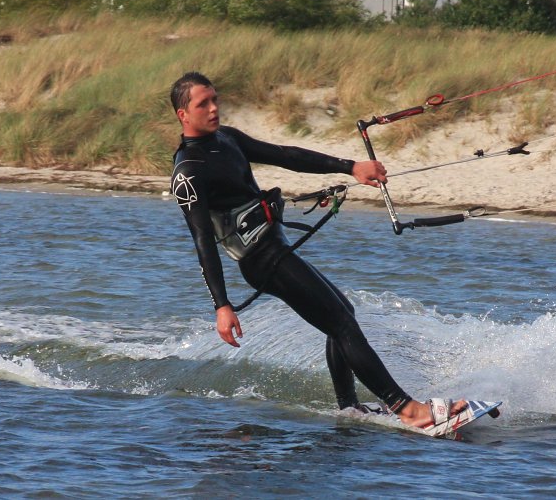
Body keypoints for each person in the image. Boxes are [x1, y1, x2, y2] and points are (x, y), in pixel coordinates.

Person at [169, 71, 464, 431]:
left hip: (274, 248)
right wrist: (222, 305)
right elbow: (202, 242)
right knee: (341, 324)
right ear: (183, 114)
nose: (214, 108)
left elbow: (285, 155)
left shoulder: (226, 138)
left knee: (342, 316)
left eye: (215, 99)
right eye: (204, 104)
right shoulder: (188, 173)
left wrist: (350, 167)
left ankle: (349, 407)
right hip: (261, 261)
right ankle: (408, 410)